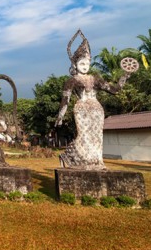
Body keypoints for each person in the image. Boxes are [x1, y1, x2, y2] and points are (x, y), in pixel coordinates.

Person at [55, 30, 134, 170]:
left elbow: (114, 90)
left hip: (96, 109)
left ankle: (97, 162)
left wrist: (124, 77)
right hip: (82, 108)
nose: (85, 66)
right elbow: (65, 101)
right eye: (82, 63)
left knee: (97, 137)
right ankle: (70, 156)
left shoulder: (96, 78)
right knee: (83, 135)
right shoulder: (71, 81)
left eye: (87, 63)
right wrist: (60, 116)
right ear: (74, 64)